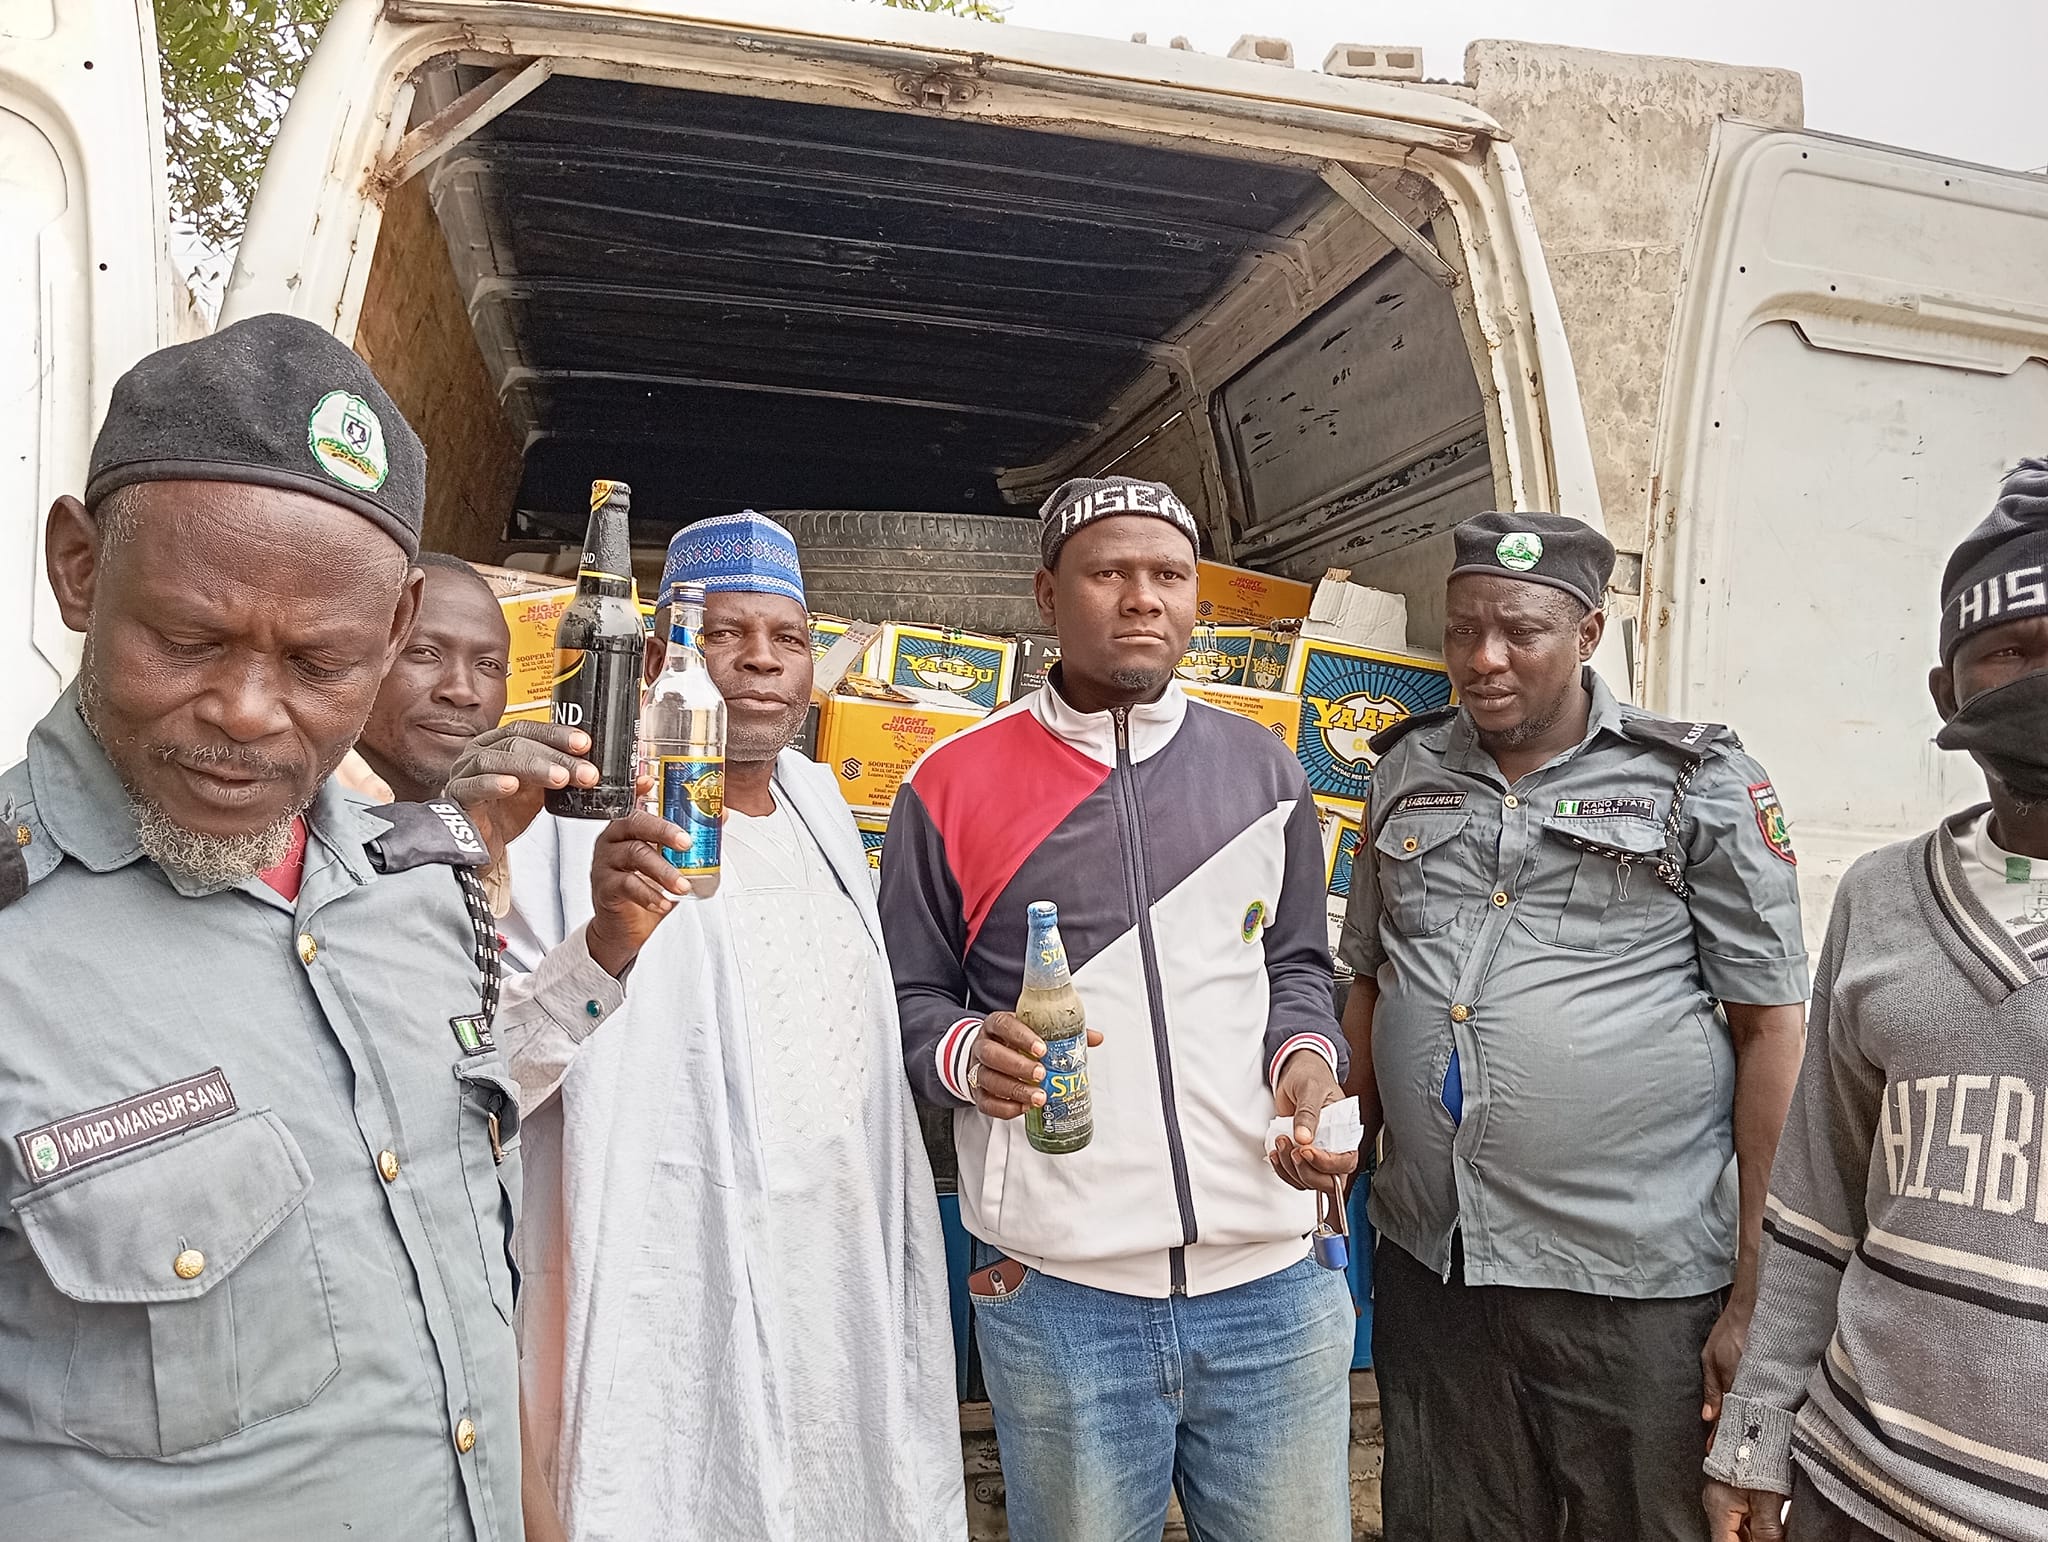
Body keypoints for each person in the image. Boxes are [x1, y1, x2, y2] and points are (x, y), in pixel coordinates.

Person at [0, 314, 674, 1540]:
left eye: (322, 663)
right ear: (79, 567)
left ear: (398, 621)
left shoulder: (422, 887)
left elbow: (462, 1331)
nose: (251, 712)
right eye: (189, 639)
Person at [455, 511, 966, 1542]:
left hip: (831, 1273)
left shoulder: (824, 810)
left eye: (786, 639)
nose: (761, 665)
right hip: (664, 1275)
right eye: (726, 636)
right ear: (660, 659)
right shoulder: (572, 825)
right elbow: (487, 1076)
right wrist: (602, 945)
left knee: (839, 1492)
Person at [881, 475, 1358, 1542]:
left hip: (1271, 1290)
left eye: (1168, 575)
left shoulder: (1261, 770)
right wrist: (964, 1053)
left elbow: (1294, 966)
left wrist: (1306, 1066)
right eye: (1109, 573)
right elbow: (903, 997)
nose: (1142, 597)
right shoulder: (948, 783)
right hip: (1060, 1299)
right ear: (1048, 596)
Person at [1338, 510, 1810, 1542]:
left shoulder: (1695, 781)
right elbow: (1370, 979)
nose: (1482, 658)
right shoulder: (1402, 772)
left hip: (1629, 1288)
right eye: (1462, 630)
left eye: (1519, 631)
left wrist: (1754, 1293)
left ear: (1589, 633)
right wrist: (1329, 1158)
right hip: (1438, 1265)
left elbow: (1769, 1030)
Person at [1704, 460, 2048, 1542]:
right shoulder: (1883, 897)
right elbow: (1817, 1194)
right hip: (1859, 1487)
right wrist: (1754, 1432)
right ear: (1946, 692)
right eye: (2010, 652)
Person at [354, 552, 512, 802]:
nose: (462, 692)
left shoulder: (510, 823)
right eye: (425, 653)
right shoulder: (287, 815)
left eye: (488, 664)